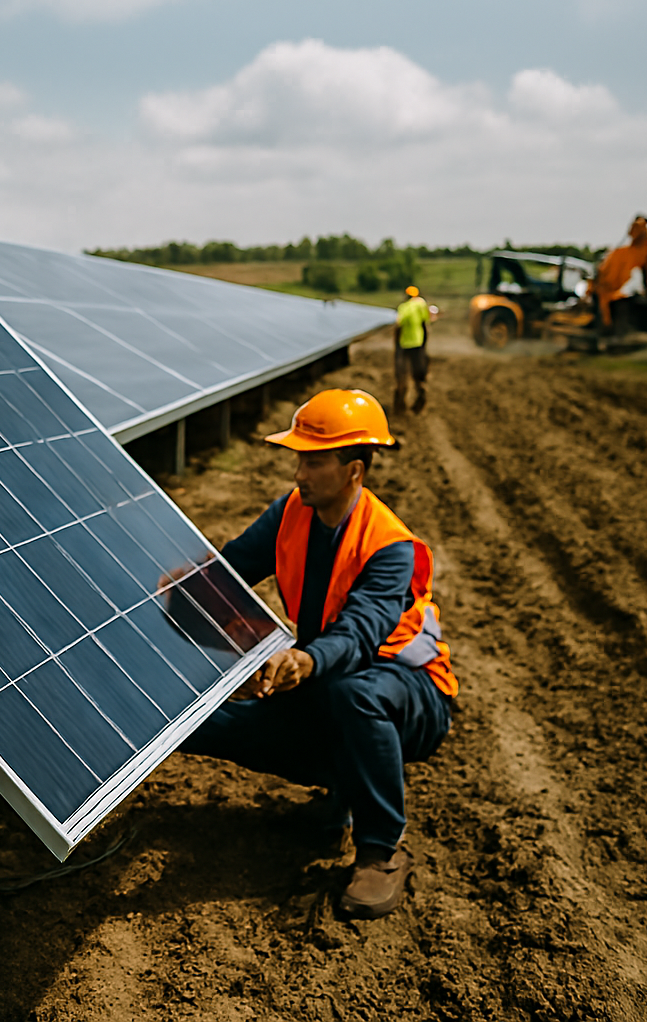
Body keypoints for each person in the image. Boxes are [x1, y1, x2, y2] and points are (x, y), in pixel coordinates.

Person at [180, 389, 457, 919]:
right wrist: (167, 596)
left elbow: (359, 635)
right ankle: (340, 795)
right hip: (330, 679)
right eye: (297, 458)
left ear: (353, 470)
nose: (299, 472)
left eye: (313, 459)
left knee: (352, 692)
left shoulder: (389, 546)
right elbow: (229, 570)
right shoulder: (291, 511)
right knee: (218, 724)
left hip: (409, 691)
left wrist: (304, 661)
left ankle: (380, 851)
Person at [592, 214, 647, 336]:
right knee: (615, 306)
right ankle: (609, 331)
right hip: (606, 291)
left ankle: (612, 330)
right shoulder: (622, 254)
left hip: (608, 292)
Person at [392, 285, 430, 414]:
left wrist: (396, 345)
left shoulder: (403, 307)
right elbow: (425, 323)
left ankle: (400, 403)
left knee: (402, 374)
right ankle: (421, 396)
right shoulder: (421, 305)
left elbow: (398, 325)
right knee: (418, 373)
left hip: (404, 345)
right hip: (418, 344)